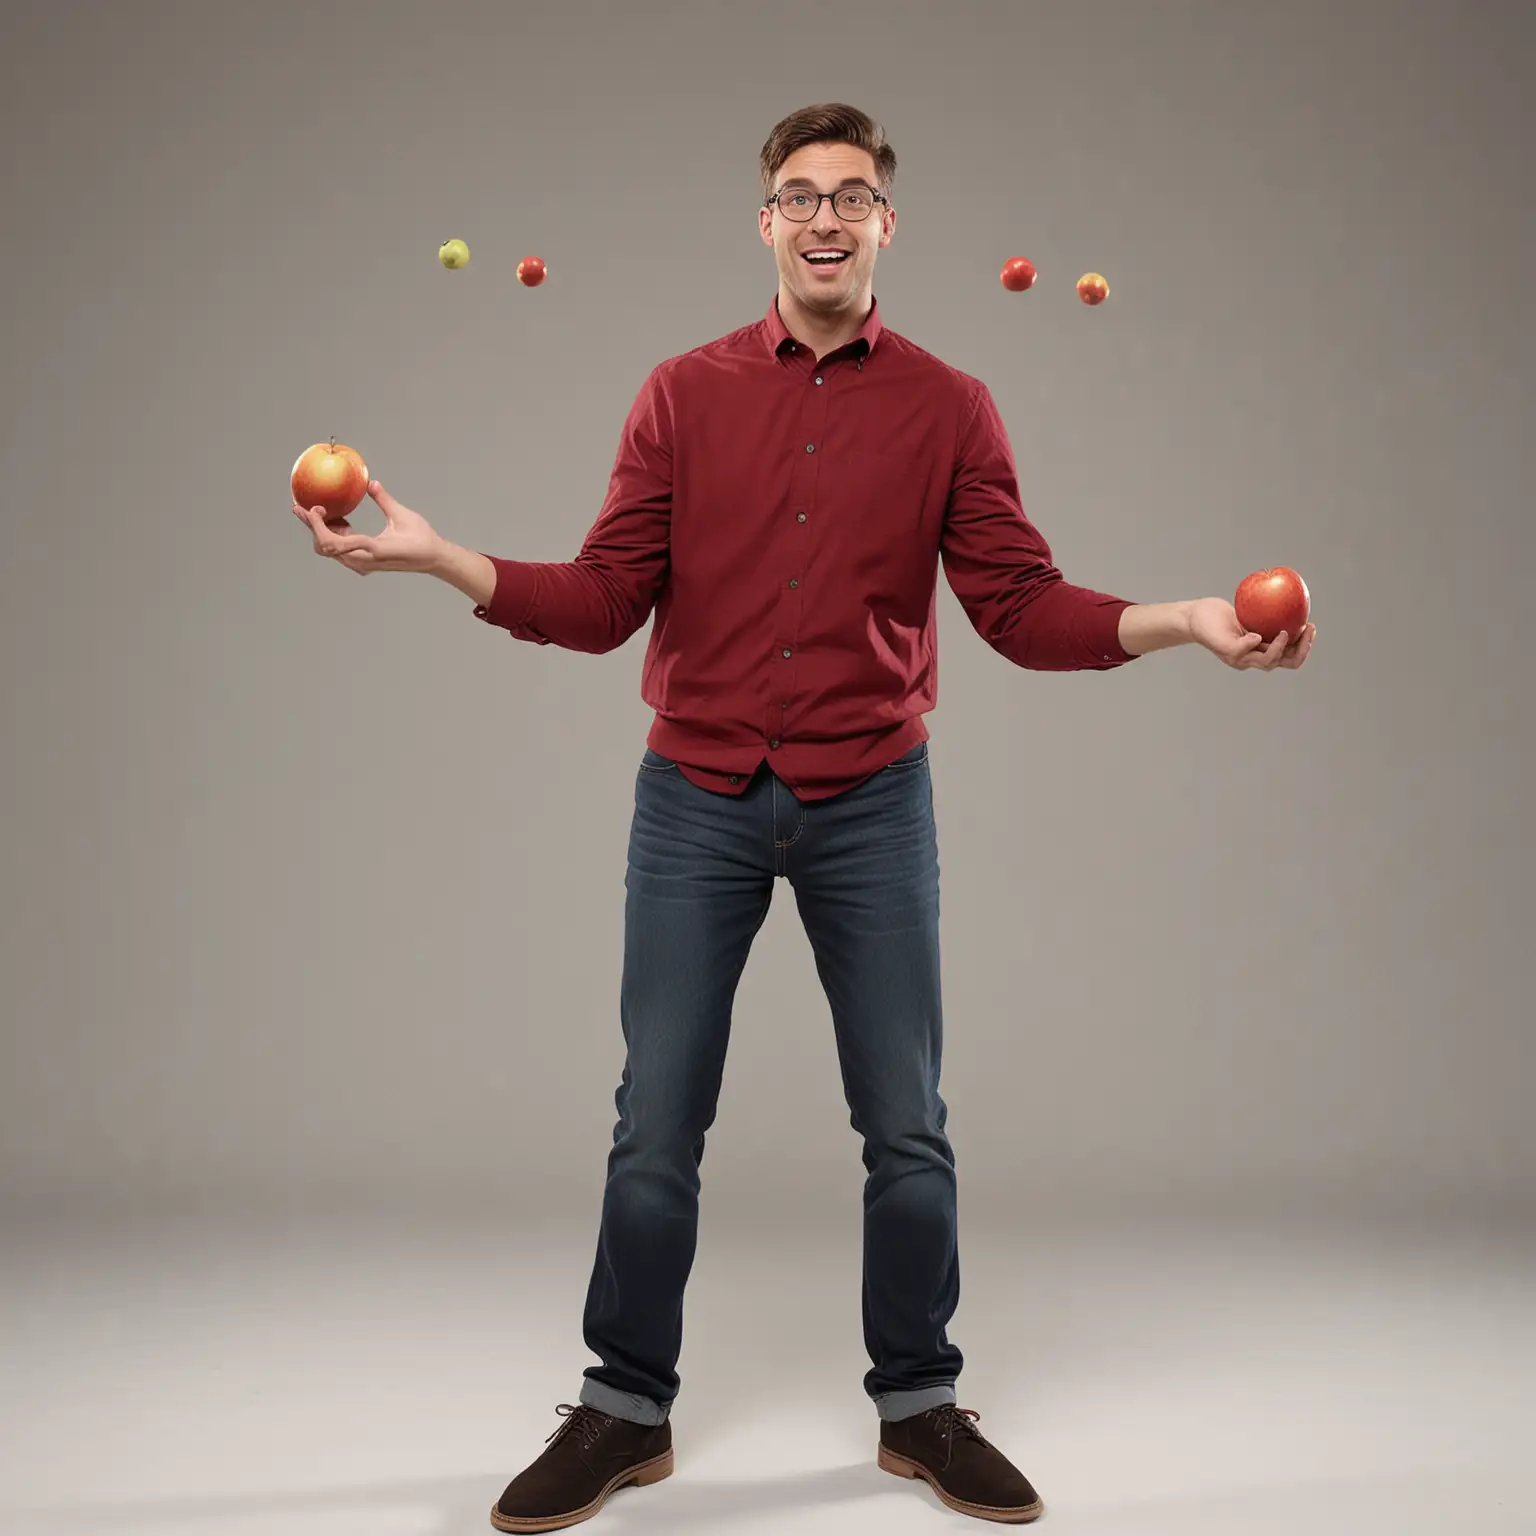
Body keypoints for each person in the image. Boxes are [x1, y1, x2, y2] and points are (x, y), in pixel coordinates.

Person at [294, 102, 1315, 1533]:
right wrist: (433, 556)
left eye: (850, 195)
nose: (824, 217)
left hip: (871, 802)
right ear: (764, 223)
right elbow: (599, 604)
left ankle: (919, 1406)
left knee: (907, 1124)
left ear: (887, 225)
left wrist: (1188, 621)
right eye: (797, 195)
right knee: (657, 1118)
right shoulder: (680, 393)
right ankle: (622, 1411)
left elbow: (1019, 610)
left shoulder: (951, 406)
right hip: (696, 799)